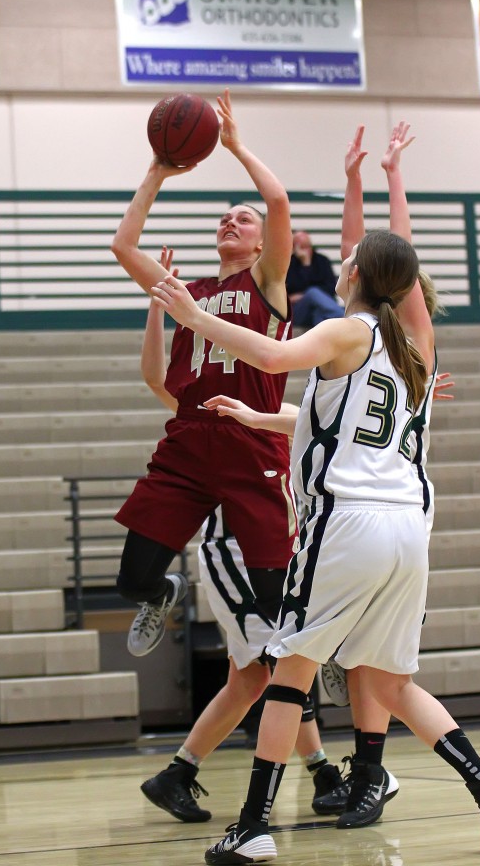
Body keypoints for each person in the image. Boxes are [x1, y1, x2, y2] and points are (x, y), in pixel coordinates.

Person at [151, 185, 480, 861]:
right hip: (408, 529)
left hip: (346, 523)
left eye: (348, 256)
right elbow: (351, 430)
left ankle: (254, 826)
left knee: (290, 669)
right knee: (391, 683)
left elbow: (270, 357)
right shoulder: (413, 352)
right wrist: (264, 419)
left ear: (351, 275)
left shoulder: (349, 330)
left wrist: (193, 316)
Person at [137, 254, 353, 822]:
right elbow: (159, 379)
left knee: (252, 675)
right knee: (281, 657)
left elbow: (326, 419)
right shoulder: (211, 402)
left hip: (273, 540)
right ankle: (323, 772)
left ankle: (178, 772)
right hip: (232, 545)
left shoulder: (278, 407)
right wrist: (159, 309)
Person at [111, 89, 297, 658]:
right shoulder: (185, 293)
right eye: (225, 217)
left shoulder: (266, 283)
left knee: (274, 599)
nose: (230, 221)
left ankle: (329, 648)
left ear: (263, 242)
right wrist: (156, 171)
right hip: (189, 442)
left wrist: (236, 146)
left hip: (252, 442)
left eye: (243, 218)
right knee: (131, 579)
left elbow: (280, 201)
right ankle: (162, 591)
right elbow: (124, 245)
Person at [317, 121, 452, 828]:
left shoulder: (400, 343)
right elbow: (376, 255)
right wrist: (360, 180)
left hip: (385, 507)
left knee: (376, 668)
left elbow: (393, 256)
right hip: (388, 512)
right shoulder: (388, 347)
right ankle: (367, 770)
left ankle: (370, 771)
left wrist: (379, 181)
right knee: (370, 664)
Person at [286, 230, 344, 328]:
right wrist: (305, 265)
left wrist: (305, 295)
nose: (305, 250)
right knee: (312, 292)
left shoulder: (322, 261)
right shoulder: (289, 264)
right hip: (298, 311)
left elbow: (331, 289)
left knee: (319, 311)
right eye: (300, 246)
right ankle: (343, 316)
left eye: (307, 246)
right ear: (294, 247)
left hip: (318, 308)